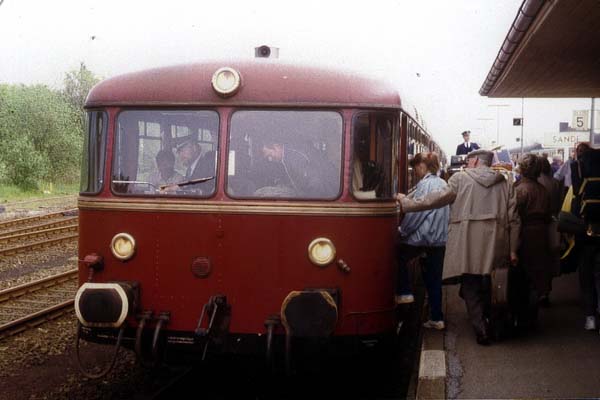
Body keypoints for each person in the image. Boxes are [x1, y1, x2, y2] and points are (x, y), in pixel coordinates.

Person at [396, 150, 520, 345]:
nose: (466, 163)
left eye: (469, 160)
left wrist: (407, 204)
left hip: (468, 244)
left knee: (470, 285)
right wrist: (513, 250)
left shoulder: (460, 179)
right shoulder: (505, 183)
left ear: (476, 161)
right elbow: (514, 219)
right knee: (493, 286)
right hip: (497, 243)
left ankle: (481, 330)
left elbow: (434, 200)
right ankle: (494, 325)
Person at [395, 152, 449, 330]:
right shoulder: (443, 184)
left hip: (422, 239)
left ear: (423, 166)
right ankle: (437, 318)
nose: (415, 170)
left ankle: (404, 292)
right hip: (439, 241)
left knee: (398, 256)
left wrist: (402, 231)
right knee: (434, 279)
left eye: (416, 167)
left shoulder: (425, 185)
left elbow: (417, 213)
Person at [514, 154, 553, 317]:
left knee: (523, 272)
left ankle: (524, 312)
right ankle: (534, 306)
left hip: (525, 233)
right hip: (542, 233)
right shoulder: (542, 190)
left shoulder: (520, 189)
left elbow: (514, 214)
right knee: (538, 271)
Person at [256, 138, 337, 198]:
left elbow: (315, 181)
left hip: (326, 193)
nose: (270, 159)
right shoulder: (286, 157)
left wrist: (309, 202)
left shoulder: (294, 157)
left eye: (270, 155)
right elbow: (298, 178)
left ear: (276, 147)